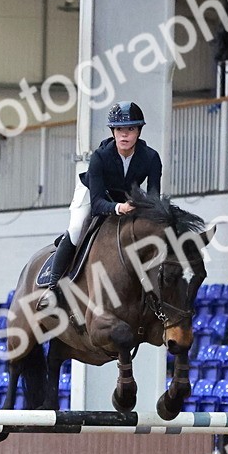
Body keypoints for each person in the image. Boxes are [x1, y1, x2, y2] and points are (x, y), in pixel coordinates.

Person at [38, 100, 163, 310]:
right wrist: (118, 208)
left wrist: (143, 209)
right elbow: (97, 204)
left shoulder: (151, 157)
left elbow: (154, 197)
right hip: (93, 194)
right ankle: (53, 288)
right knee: (77, 229)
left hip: (125, 195)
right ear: (113, 131)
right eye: (120, 129)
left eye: (130, 129)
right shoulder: (100, 157)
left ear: (139, 131)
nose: (124, 135)